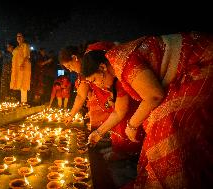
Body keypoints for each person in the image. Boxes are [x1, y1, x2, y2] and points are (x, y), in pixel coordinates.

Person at [82, 32, 213, 188]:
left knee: (166, 126)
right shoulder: (116, 68)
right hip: (188, 70)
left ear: (102, 67)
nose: (97, 85)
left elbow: (154, 96)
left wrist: (132, 126)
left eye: (95, 80)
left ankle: (177, 180)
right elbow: (118, 111)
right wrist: (98, 133)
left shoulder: (122, 61)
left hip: (202, 62)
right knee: (158, 124)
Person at [59, 42, 143, 160]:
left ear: (75, 58)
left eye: (69, 66)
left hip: (132, 90)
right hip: (116, 97)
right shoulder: (87, 72)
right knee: (117, 117)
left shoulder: (104, 62)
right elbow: (81, 95)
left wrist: (132, 125)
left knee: (127, 118)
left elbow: (154, 96)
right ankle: (119, 149)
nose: (71, 70)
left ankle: (130, 153)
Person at [10, 32, 31, 105]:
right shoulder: (16, 47)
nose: (18, 38)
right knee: (18, 82)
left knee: (23, 82)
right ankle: (22, 101)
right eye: (17, 36)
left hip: (24, 66)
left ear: (23, 38)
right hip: (17, 67)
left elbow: (26, 56)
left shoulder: (25, 45)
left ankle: (24, 102)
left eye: (20, 36)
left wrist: (22, 64)